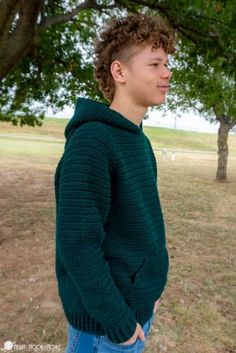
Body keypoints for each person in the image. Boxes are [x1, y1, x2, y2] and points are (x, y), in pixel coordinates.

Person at [54, 12, 176, 353]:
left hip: (134, 312)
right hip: (105, 331)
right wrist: (118, 321)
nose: (167, 73)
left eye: (167, 63)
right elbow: (78, 246)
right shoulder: (92, 142)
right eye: (154, 64)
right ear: (119, 71)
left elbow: (141, 229)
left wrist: (147, 294)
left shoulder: (138, 140)